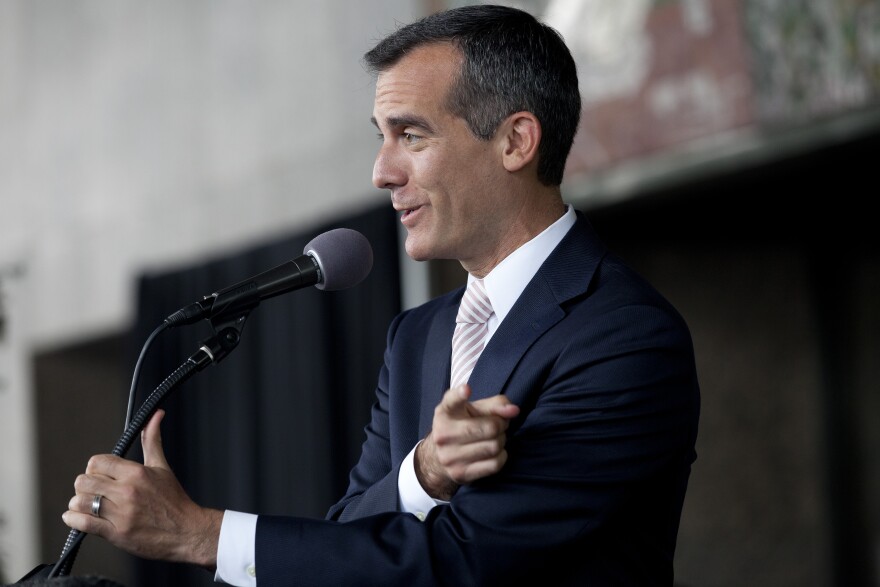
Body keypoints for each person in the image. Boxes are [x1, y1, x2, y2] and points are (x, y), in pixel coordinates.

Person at [62, 4, 700, 586]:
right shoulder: (416, 335)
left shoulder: (624, 334)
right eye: (380, 135)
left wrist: (200, 534)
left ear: (515, 141)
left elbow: (464, 564)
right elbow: (350, 529)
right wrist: (424, 473)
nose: (381, 172)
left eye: (412, 136)